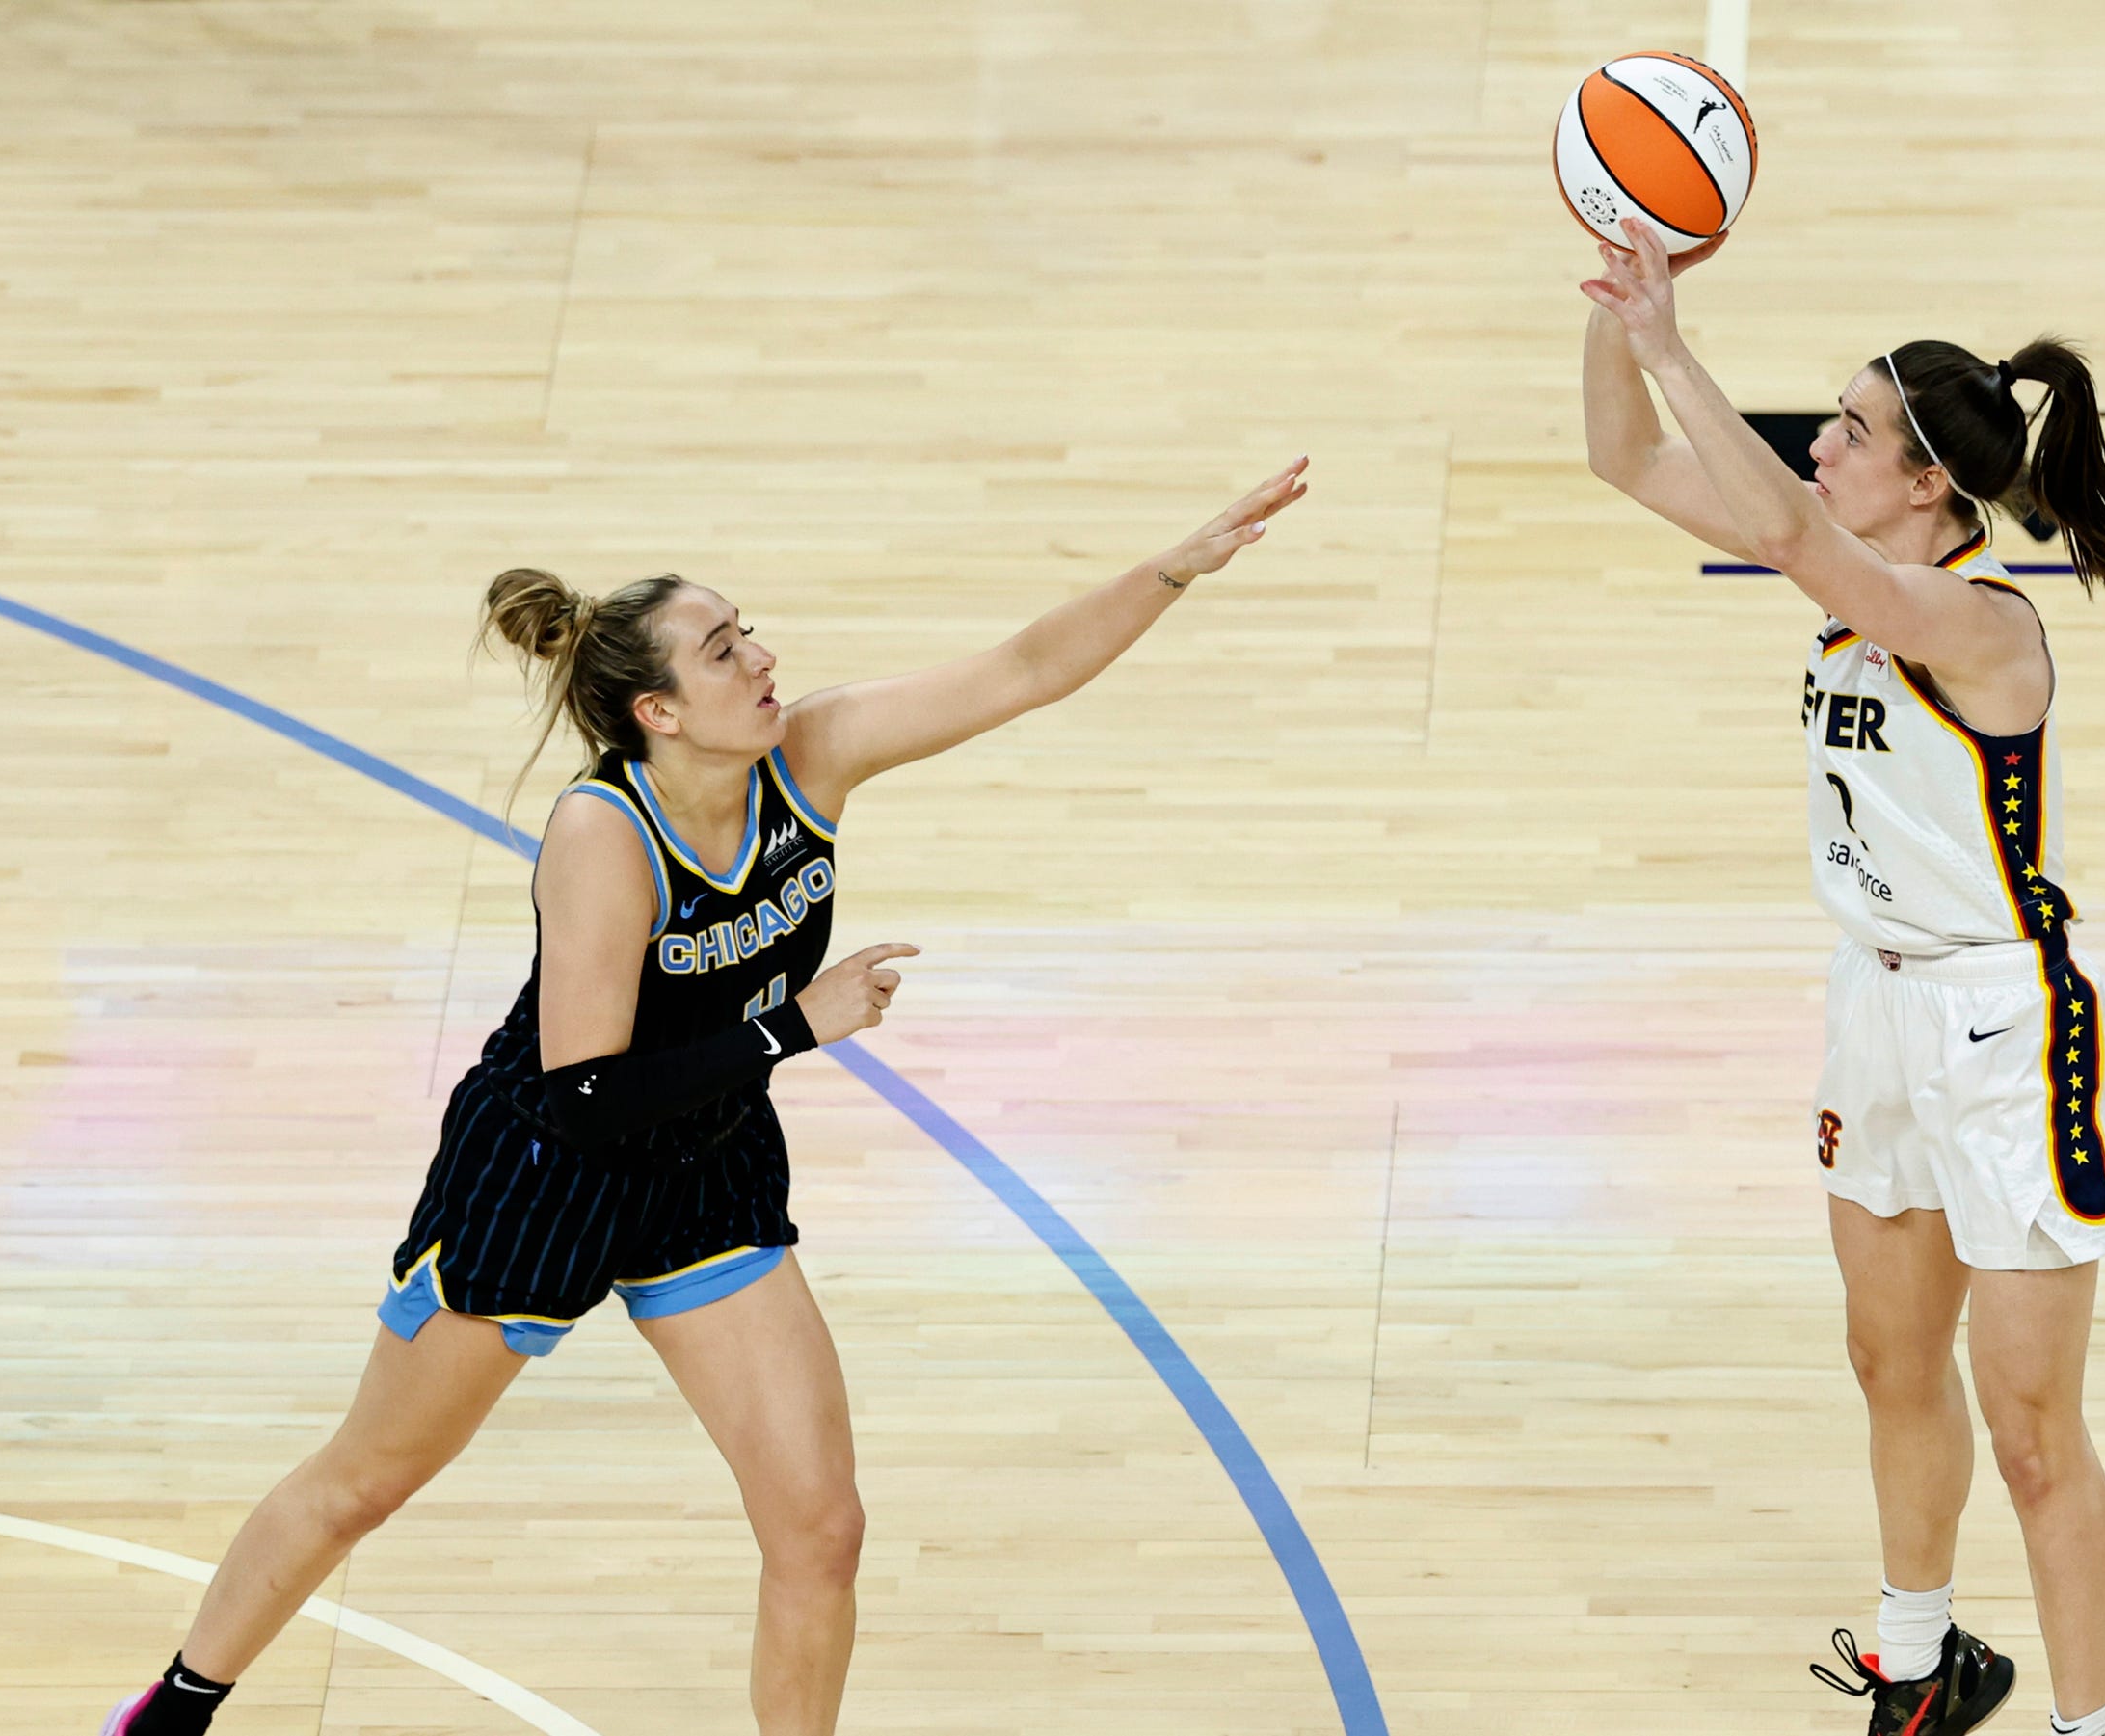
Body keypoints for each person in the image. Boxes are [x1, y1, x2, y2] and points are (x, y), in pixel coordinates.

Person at [100, 459, 1311, 1736]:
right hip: (546, 1174)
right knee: (367, 1480)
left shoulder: (813, 753)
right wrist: (794, 1022)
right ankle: (173, 1709)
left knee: (821, 1525)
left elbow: (1020, 669)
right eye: (725, 649)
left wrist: (1171, 568)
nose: (764, 657)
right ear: (659, 712)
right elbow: (583, 1094)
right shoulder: (603, 836)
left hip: (705, 1169)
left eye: (749, 631)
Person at [1580, 218, 2105, 1736]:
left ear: (1928, 487)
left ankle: (2089, 1728)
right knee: (1891, 1355)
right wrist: (1616, 294)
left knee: (2034, 1431)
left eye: (1846, 427)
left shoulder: (1974, 622)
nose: (1817, 443)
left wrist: (1673, 343)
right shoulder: (1853, 583)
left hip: (2004, 1029)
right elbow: (1620, 458)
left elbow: (1781, 530)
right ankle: (1918, 1666)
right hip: (1876, 1002)